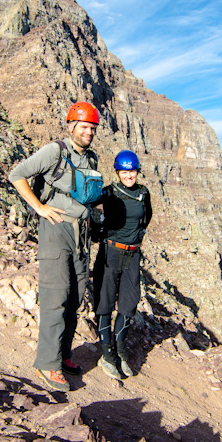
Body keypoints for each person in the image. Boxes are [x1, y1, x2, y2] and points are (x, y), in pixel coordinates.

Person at [8, 101, 100, 392]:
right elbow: (17, 175)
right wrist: (38, 207)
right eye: (84, 127)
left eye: (92, 128)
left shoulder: (91, 158)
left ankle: (64, 354)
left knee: (75, 296)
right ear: (71, 126)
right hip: (56, 232)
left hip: (81, 235)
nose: (89, 133)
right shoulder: (54, 151)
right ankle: (47, 363)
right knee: (56, 296)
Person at [93, 150, 152, 379]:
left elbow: (147, 217)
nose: (129, 175)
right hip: (110, 252)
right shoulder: (109, 192)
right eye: (125, 171)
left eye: (133, 171)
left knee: (128, 303)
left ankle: (120, 350)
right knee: (105, 302)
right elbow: (87, 205)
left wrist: (135, 237)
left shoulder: (143, 193)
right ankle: (106, 355)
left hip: (132, 255)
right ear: (118, 172)